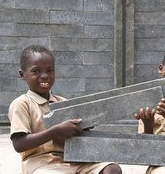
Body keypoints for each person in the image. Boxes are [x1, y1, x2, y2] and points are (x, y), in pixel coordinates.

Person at [8, 45, 122, 174]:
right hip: (41, 164)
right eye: (36, 71)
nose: (45, 76)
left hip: (71, 161)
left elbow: (76, 136)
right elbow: (19, 144)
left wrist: (84, 126)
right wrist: (56, 130)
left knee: (112, 168)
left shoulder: (63, 102)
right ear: (22, 75)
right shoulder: (22, 103)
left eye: (50, 70)